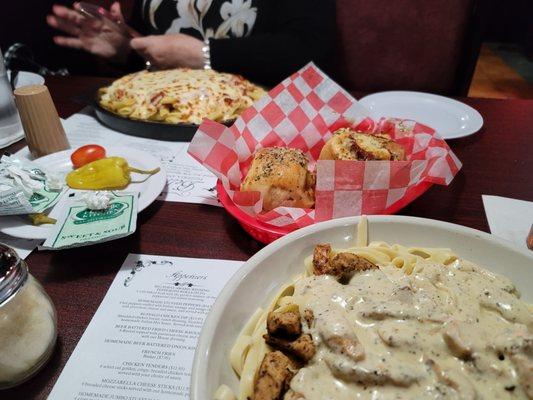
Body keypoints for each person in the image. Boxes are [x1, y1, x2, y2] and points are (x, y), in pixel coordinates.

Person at [46, 0, 336, 86]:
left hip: (261, 125)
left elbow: (309, 48)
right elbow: (164, 53)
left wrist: (205, 55)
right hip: (165, 113)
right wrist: (124, 50)